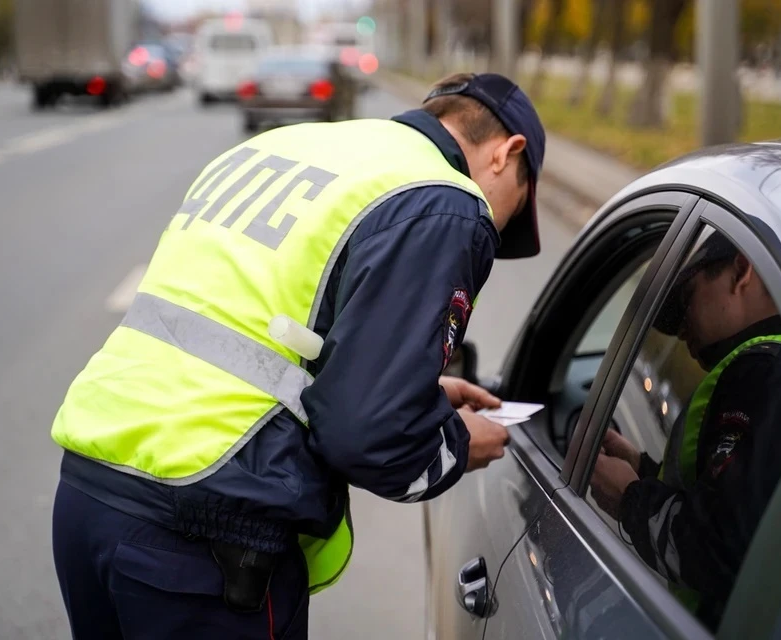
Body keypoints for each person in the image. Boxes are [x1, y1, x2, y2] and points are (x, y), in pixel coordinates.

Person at [49, 71, 545, 639]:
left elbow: (266, 331)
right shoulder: (444, 201)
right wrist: (455, 444)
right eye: (518, 207)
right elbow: (369, 436)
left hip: (90, 490)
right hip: (205, 537)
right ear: (509, 154)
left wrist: (420, 396)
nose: (500, 227)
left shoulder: (285, 147)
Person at [590, 230, 781, 636]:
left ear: (742, 270)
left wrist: (630, 499)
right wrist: (644, 470)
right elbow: (750, 509)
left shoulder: (766, 373)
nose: (681, 330)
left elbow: (723, 550)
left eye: (687, 298)